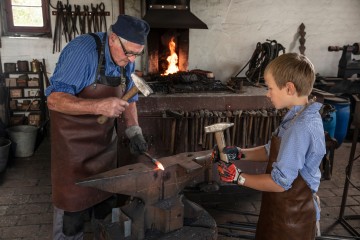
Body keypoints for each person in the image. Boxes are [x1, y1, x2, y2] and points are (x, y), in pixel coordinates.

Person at [46, 15, 150, 239]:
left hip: (104, 151)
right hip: (73, 153)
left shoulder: (126, 58)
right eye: (129, 52)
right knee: (71, 220)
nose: (132, 59)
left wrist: (134, 131)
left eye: (137, 54)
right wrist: (98, 106)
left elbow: (130, 98)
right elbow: (54, 100)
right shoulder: (82, 52)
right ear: (113, 38)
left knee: (105, 213)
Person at [213, 53, 326, 239]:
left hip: (292, 218)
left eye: (270, 88)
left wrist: (239, 178)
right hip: (280, 208)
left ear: (289, 88)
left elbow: (280, 183)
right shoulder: (298, 114)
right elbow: (271, 150)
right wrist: (238, 154)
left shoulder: (300, 127)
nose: (267, 93)